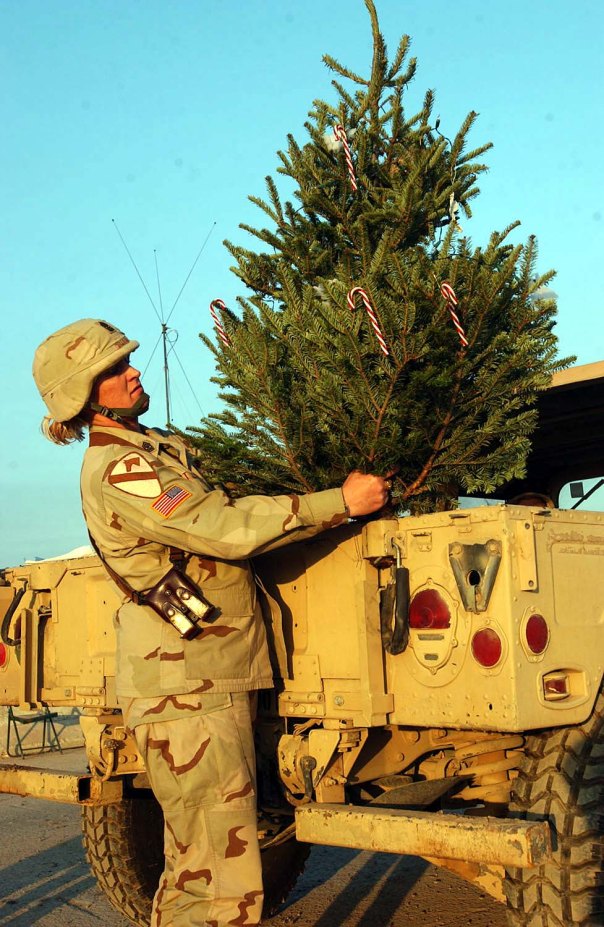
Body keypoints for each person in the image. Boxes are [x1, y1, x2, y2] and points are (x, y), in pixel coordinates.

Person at [32, 318, 391, 927]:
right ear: (85, 396)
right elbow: (222, 527)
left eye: (128, 361)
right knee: (215, 880)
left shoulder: (151, 450)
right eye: (115, 369)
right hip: (186, 690)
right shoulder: (121, 469)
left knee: (205, 866)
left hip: (203, 679)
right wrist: (339, 503)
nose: (133, 372)